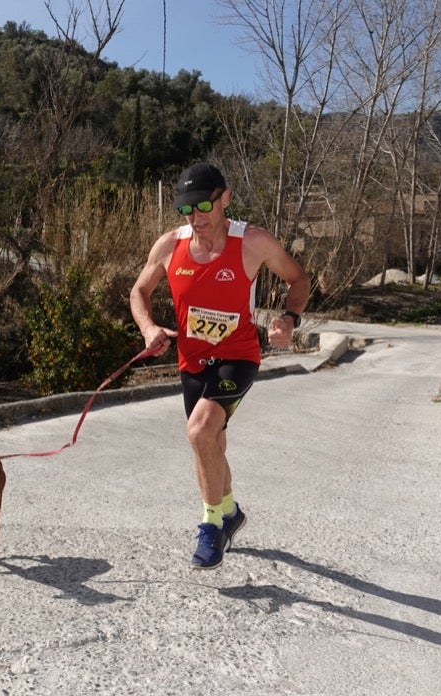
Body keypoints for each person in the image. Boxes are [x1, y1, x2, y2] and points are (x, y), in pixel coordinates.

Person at [130, 162, 309, 570]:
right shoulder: (169, 246)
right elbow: (138, 291)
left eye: (205, 206)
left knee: (199, 431)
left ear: (225, 198)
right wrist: (148, 328)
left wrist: (288, 319)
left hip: (238, 356)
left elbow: (298, 280)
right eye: (187, 210)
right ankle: (230, 512)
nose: (196, 218)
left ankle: (212, 525)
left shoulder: (253, 242)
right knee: (210, 443)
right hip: (192, 362)